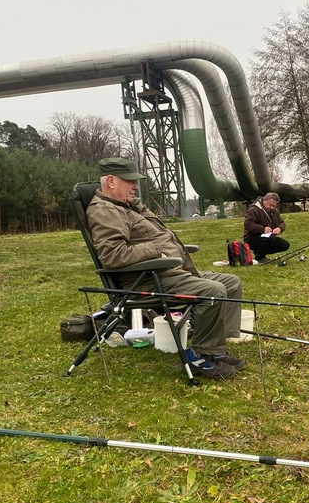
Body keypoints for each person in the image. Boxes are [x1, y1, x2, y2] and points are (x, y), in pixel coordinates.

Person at [86, 157, 245, 380]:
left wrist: (138, 207)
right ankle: (200, 356)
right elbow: (112, 255)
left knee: (232, 283)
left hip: (168, 271)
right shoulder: (105, 210)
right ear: (111, 181)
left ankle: (216, 349)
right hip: (147, 280)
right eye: (130, 181)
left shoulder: (127, 206)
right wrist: (154, 251)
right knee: (213, 291)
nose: (135, 186)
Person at [243, 192, 290, 264]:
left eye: (274, 206)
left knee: (285, 245)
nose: (272, 207)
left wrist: (279, 228)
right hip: (252, 238)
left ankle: (259, 251)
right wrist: (263, 229)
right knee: (270, 238)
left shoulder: (274, 211)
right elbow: (248, 224)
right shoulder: (253, 210)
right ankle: (260, 257)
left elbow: (282, 223)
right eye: (270, 205)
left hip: (268, 237)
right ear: (264, 200)